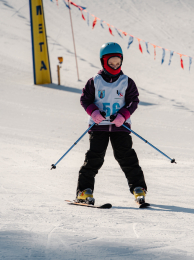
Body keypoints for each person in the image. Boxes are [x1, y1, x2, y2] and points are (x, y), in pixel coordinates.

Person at [76, 42, 147, 205]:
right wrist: (94, 112)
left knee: (126, 157)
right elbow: (85, 99)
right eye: (111, 62)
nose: (115, 65)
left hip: (119, 127)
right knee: (95, 157)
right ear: (103, 61)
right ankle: (84, 191)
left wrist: (123, 115)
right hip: (98, 127)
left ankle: (138, 188)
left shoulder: (126, 82)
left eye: (118, 62)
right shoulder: (94, 81)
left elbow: (133, 101)